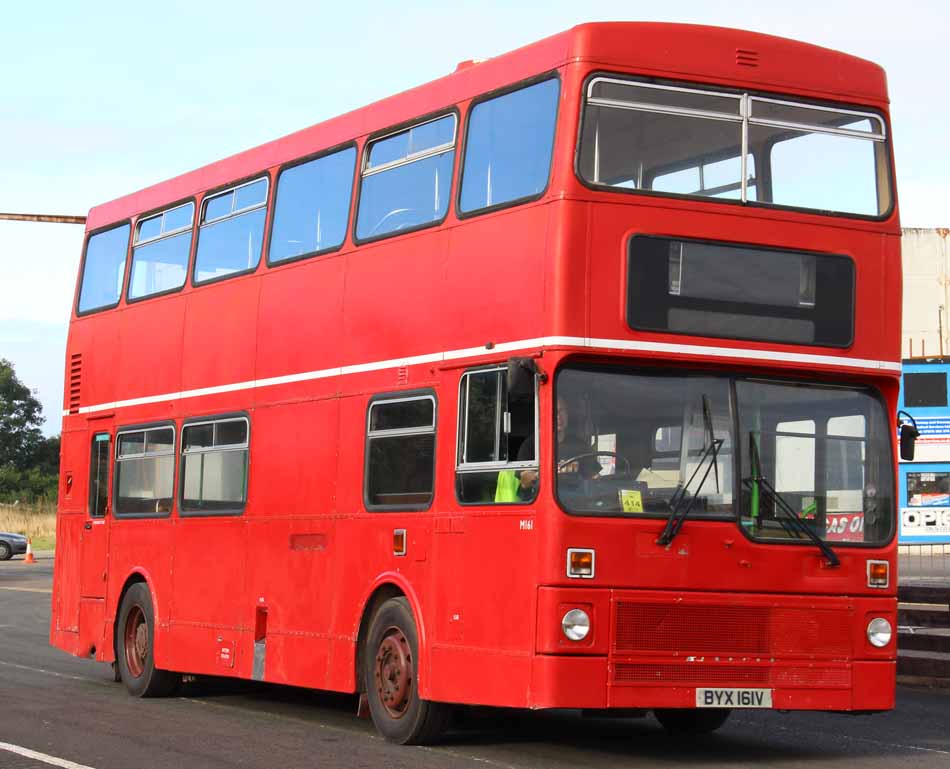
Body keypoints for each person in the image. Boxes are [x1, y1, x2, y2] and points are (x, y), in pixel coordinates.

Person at [515, 395, 599, 497]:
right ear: (544, 415)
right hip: (543, 501)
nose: (558, 416)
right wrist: (543, 473)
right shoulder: (531, 445)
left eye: (562, 411)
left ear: (567, 414)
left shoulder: (580, 445)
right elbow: (525, 480)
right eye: (554, 411)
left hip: (575, 504)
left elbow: (594, 477)